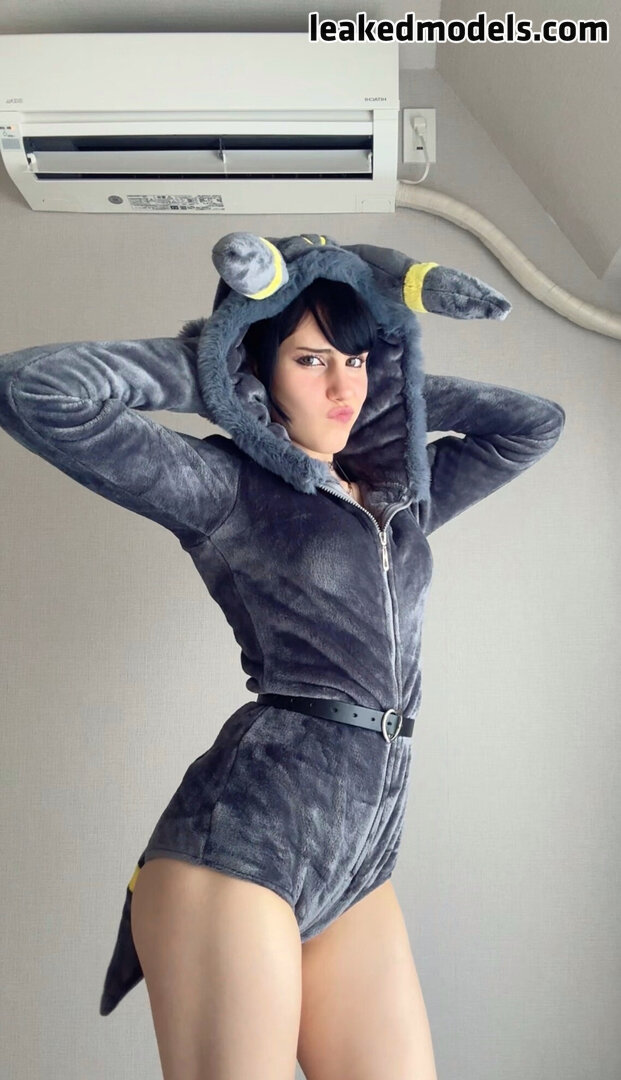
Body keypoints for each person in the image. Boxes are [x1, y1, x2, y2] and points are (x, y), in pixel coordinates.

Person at [0, 232, 565, 1080]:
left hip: (361, 857)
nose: (342, 386)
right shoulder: (225, 486)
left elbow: (532, 424)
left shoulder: (399, 501)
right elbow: (32, 388)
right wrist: (221, 370)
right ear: (257, 369)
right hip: (245, 839)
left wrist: (390, 379)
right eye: (309, 360)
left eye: (357, 360)